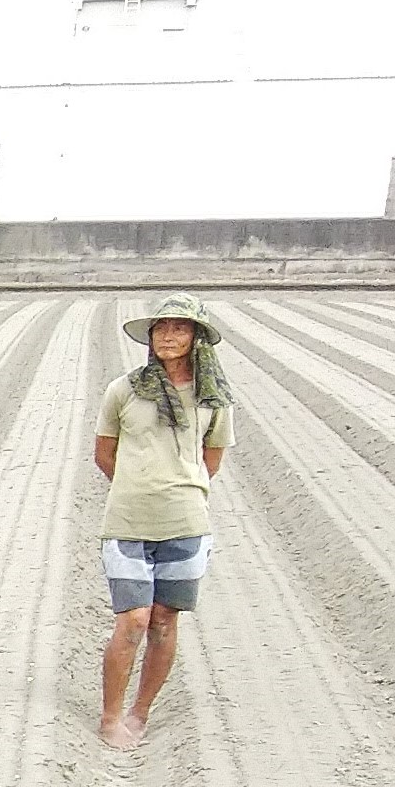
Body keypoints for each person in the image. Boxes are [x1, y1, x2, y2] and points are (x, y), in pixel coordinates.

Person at [90, 292, 235, 749]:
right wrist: (139, 485)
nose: (169, 335)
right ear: (150, 339)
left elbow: (211, 460)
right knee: (133, 620)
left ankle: (141, 711)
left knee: (164, 622)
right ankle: (111, 717)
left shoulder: (214, 398)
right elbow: (104, 454)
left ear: (197, 338)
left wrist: (180, 487)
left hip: (186, 522)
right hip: (129, 520)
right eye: (161, 328)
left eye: (180, 328)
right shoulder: (124, 390)